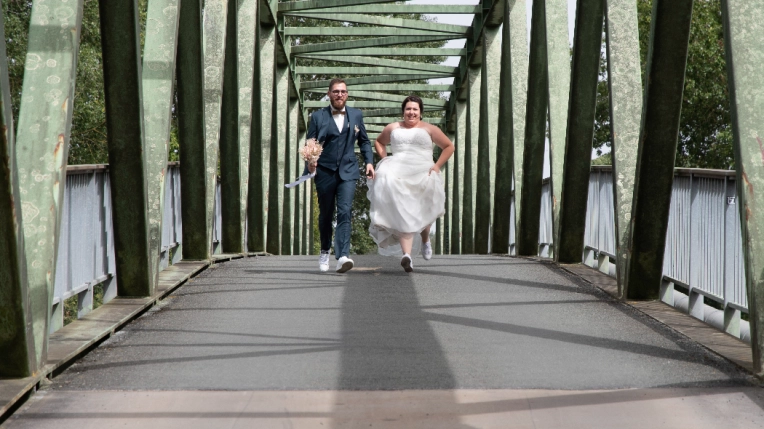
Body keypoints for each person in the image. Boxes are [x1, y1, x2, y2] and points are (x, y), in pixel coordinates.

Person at [367, 95, 454, 272]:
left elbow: (448, 146)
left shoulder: (430, 129)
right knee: (403, 211)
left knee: (423, 210)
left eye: (415, 109)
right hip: (399, 173)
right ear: (403, 111)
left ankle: (425, 239)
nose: (411, 112)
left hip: (423, 171)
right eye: (408, 109)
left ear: (421, 112)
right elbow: (378, 141)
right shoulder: (393, 128)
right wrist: (385, 160)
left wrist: (437, 166)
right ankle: (407, 256)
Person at [305, 78, 375, 273]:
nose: (339, 94)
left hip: (349, 171)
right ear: (329, 94)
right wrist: (310, 162)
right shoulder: (318, 117)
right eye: (336, 91)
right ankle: (325, 250)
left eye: (343, 91)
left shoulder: (356, 115)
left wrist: (369, 162)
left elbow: (365, 142)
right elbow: (310, 142)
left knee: (345, 211)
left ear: (347, 94)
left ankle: (342, 255)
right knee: (326, 214)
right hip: (325, 172)